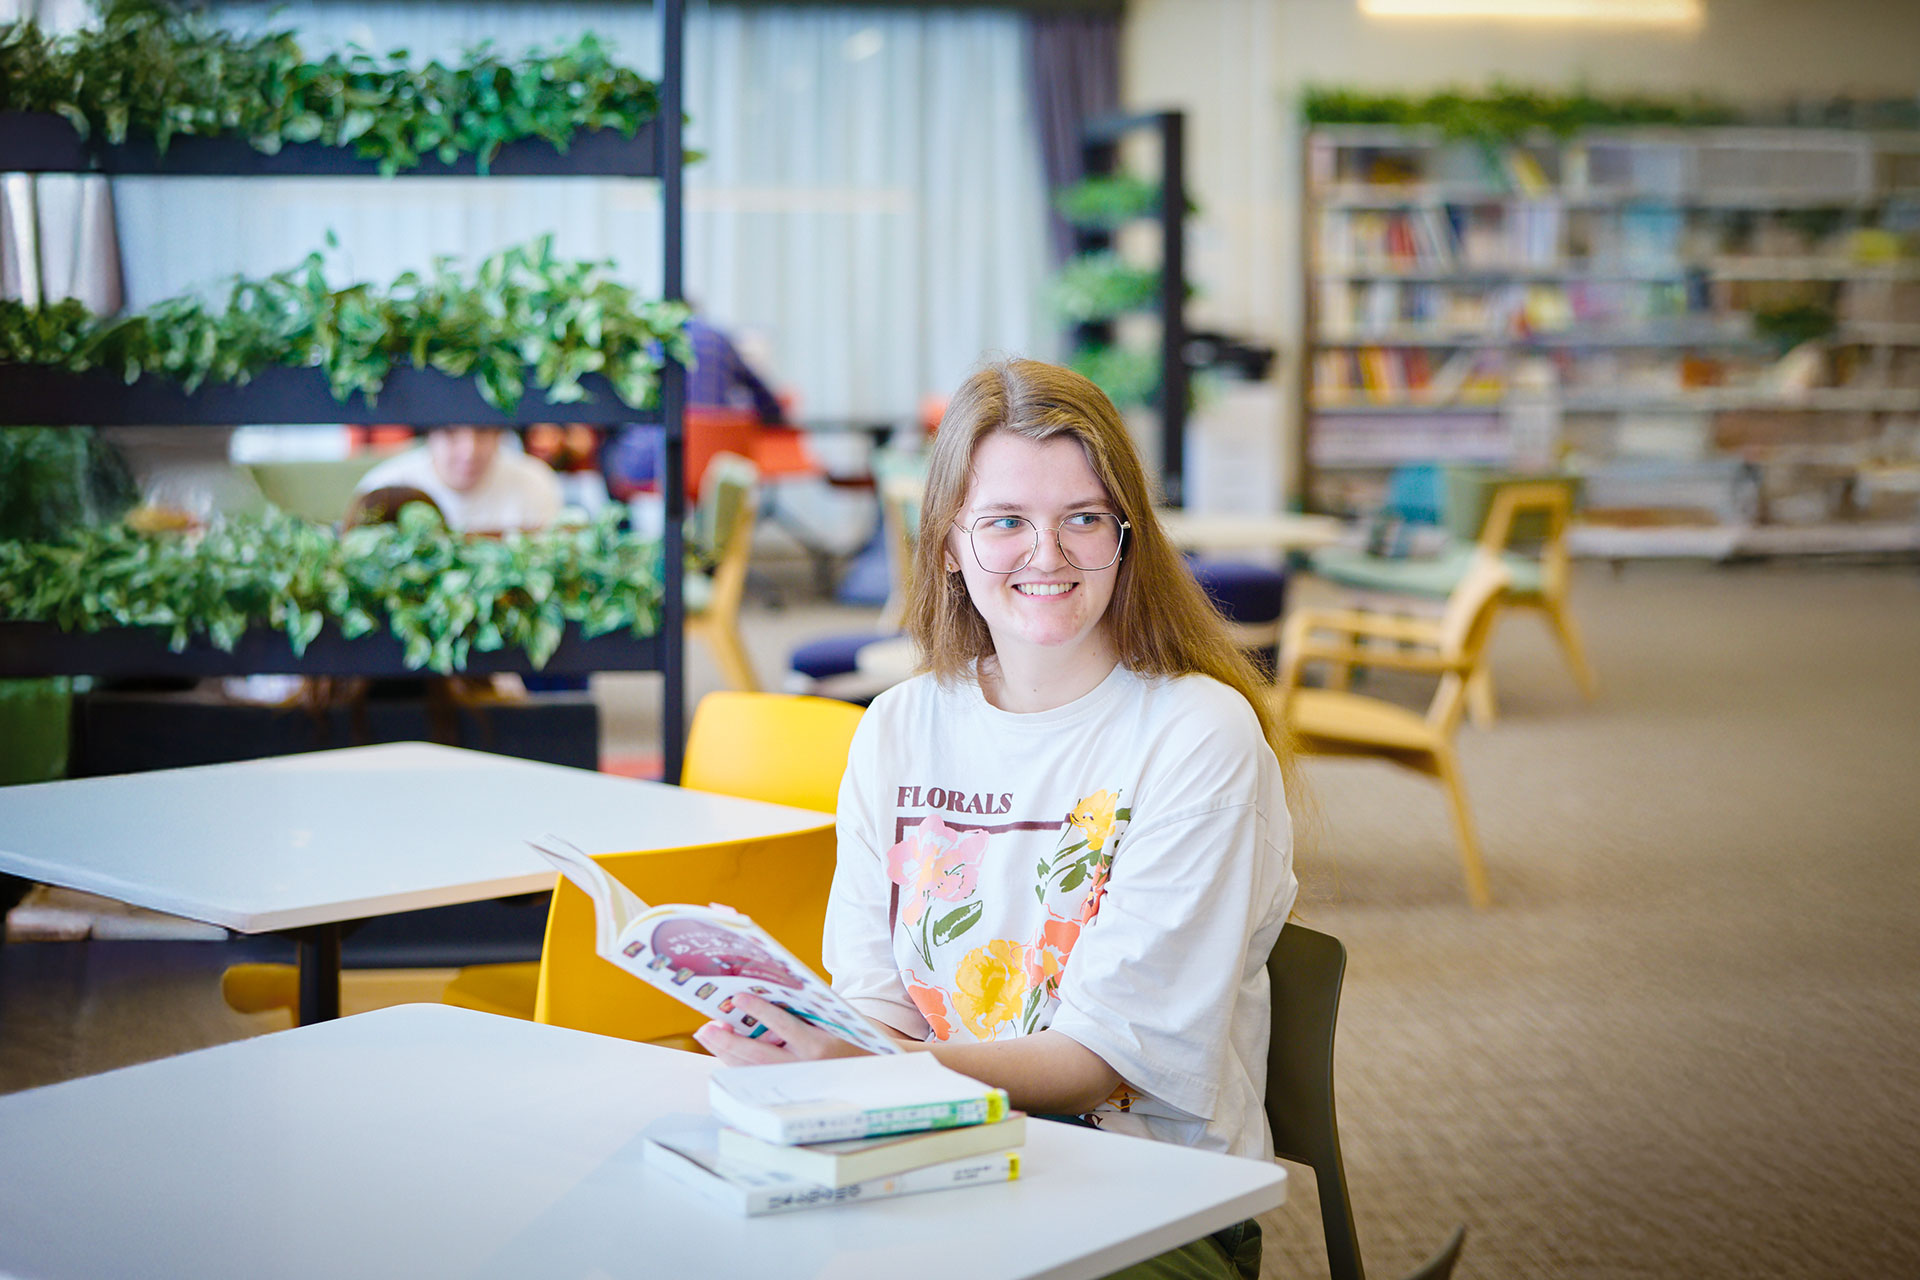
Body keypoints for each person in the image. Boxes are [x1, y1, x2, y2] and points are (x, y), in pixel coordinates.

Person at [694, 359, 1296, 1280]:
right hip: (926, 1154)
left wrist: (873, 1071)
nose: (1047, 555)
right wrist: (814, 1045)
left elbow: (1101, 1059)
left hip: (1143, 1196)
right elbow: (877, 1000)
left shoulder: (1196, 733)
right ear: (947, 544)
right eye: (1006, 521)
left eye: (1083, 519)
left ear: (1127, 538)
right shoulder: (899, 726)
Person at [354, 426, 562, 533]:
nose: (469, 451)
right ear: (430, 434)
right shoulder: (385, 485)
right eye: (451, 432)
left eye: (482, 431)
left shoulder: (534, 481)